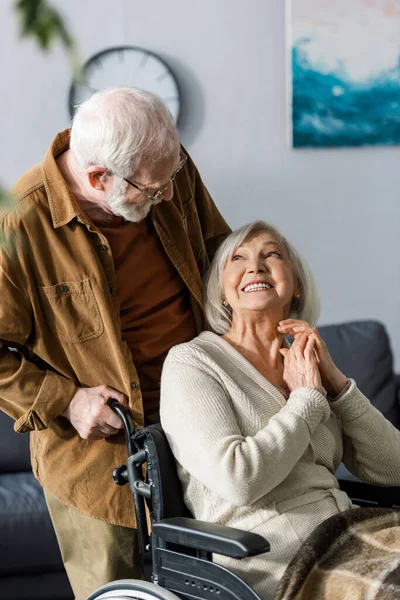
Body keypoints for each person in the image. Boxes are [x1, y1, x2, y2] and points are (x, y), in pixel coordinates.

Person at [0, 87, 230, 599]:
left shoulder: (168, 168)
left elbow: (216, 250)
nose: (169, 195)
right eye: (153, 189)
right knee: (118, 594)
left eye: (173, 178)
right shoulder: (21, 222)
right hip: (100, 464)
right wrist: (68, 400)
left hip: (201, 430)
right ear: (99, 177)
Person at [160, 220, 400, 600]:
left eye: (272, 254)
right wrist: (306, 400)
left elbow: (394, 466)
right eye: (237, 258)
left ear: (297, 284)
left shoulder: (306, 363)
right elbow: (239, 479)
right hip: (274, 559)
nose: (255, 266)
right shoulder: (193, 363)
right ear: (222, 292)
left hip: (351, 532)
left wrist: (335, 383)